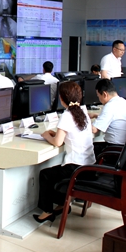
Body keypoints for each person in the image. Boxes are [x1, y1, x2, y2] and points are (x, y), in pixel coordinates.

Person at [34, 81, 95, 224]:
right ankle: (62, 204)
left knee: (45, 174)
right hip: (89, 165)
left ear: (61, 99)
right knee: (55, 173)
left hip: (76, 168)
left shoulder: (67, 115)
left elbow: (57, 142)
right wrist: (57, 134)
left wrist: (46, 135)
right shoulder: (83, 112)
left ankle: (47, 211)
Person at [89, 79, 126, 155]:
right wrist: (96, 115)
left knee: (87, 149)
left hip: (114, 149)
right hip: (125, 148)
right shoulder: (124, 102)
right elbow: (115, 118)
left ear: (104, 94)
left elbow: (94, 130)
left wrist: (80, 120)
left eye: (98, 96)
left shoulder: (109, 106)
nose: (99, 99)